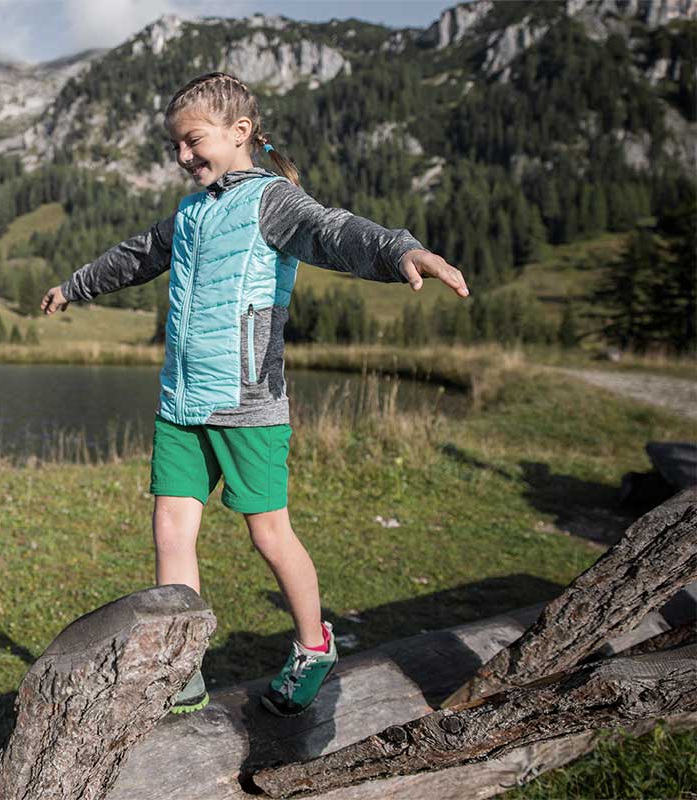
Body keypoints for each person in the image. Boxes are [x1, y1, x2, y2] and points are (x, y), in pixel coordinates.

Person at [40, 72, 469, 717]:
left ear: (239, 133)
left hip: (246, 401)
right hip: (181, 401)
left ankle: (313, 643)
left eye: (192, 142)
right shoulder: (188, 213)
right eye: (175, 149)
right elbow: (132, 257)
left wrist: (400, 250)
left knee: (268, 533)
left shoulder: (274, 202)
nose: (184, 157)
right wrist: (75, 286)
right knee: (170, 528)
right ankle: (180, 659)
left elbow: (334, 232)